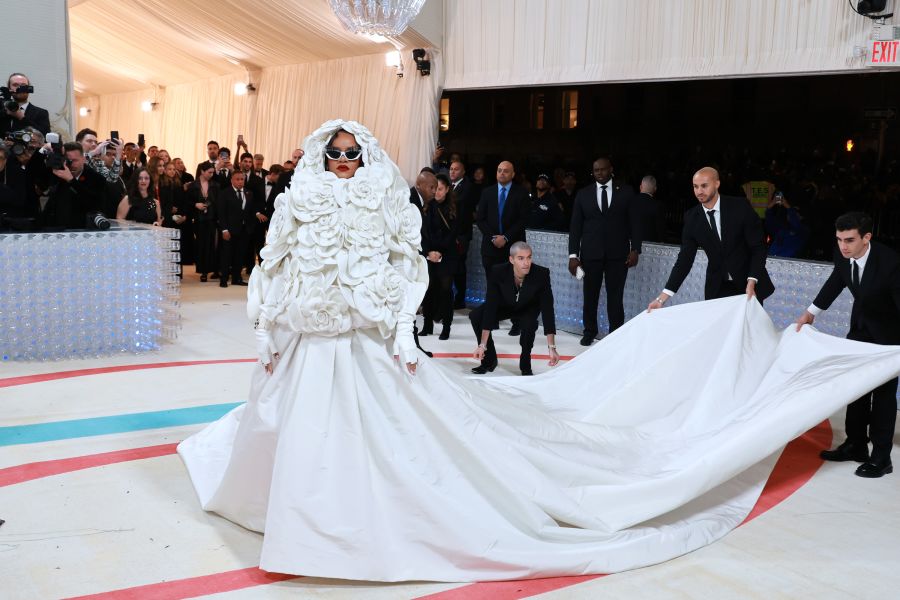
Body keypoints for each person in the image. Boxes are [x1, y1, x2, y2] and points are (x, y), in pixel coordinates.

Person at [177, 120, 900, 584]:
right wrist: (269, 327)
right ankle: (300, 505)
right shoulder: (300, 197)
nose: (341, 164)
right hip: (310, 337)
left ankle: (341, 517)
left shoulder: (382, 199)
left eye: (350, 154)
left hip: (367, 341)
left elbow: (408, 265)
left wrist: (400, 326)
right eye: (333, 154)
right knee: (300, 423)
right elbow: (276, 263)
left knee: (384, 435)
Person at [795, 212, 900, 478]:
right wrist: (811, 312)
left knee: (884, 397)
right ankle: (855, 445)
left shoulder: (891, 263)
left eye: (849, 240)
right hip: (860, 330)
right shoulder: (843, 255)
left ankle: (881, 457)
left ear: (867, 237)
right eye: (839, 239)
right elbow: (836, 282)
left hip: (890, 337)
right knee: (857, 389)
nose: (843, 246)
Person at [648, 166, 774, 311]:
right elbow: (684, 260)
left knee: (749, 331)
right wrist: (662, 298)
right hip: (718, 287)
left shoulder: (740, 206)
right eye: (695, 187)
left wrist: (752, 281)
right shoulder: (692, 218)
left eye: (704, 186)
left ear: (717, 184)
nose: (699, 191)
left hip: (749, 284)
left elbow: (758, 247)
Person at [568, 156, 642, 344]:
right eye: (596, 170)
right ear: (592, 172)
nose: (600, 173)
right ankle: (589, 331)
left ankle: (616, 334)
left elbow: (635, 222)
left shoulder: (626, 192)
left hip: (618, 255)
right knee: (590, 296)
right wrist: (573, 255)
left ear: (611, 169)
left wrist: (636, 249)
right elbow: (575, 227)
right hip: (591, 255)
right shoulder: (583, 194)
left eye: (603, 169)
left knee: (615, 296)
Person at [469, 242, 559, 376]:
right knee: (476, 315)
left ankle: (525, 365)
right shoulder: (497, 271)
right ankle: (489, 360)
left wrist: (552, 347)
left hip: (527, 307)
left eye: (529, 257)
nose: (526, 262)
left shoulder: (541, 274)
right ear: (511, 259)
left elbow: (547, 310)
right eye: (521, 258)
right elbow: (491, 305)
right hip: (504, 305)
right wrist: (482, 344)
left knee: (530, 324)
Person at [475, 160, 529, 335]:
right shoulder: (487, 192)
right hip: (490, 248)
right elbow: (480, 218)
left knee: (514, 286)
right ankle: (492, 320)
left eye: (506, 171)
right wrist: (493, 237)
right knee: (492, 285)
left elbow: (522, 220)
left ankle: (517, 322)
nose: (502, 173)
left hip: (512, 248)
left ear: (513, 174)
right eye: (499, 170)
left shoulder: (521, 194)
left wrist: (505, 238)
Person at [420, 173, 459, 339]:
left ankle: (446, 327)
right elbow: (423, 232)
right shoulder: (427, 207)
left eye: (441, 188)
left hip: (447, 255)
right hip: (429, 255)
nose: (437, 192)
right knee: (428, 290)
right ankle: (427, 324)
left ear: (448, 189)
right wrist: (429, 251)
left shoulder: (454, 209)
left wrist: (440, 252)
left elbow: (453, 234)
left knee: (445, 291)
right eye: (435, 188)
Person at [187, 164, 219, 281]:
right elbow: (187, 202)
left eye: (212, 172)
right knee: (201, 245)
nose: (211, 175)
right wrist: (196, 204)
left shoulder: (215, 185)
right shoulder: (193, 185)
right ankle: (202, 271)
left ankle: (209, 270)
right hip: (198, 219)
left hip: (211, 219)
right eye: (209, 172)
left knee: (211, 245)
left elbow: (217, 202)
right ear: (202, 171)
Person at [1, 73, 50, 137]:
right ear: (9, 89)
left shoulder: (41, 113)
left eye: (23, 85)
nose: (19, 88)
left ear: (29, 88)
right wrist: (5, 108)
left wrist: (22, 118)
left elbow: (44, 137)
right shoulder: (2, 109)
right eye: (15, 85)